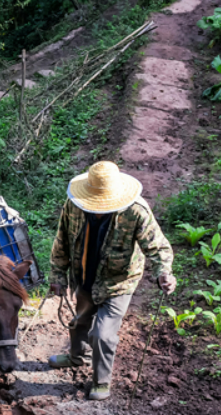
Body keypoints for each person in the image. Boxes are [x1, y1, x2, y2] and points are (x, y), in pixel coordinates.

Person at [47, 161, 176, 401]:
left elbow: (158, 247)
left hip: (118, 282)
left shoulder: (136, 211)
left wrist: (164, 272)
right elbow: (61, 241)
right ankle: (77, 358)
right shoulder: (74, 206)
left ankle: (101, 381)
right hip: (85, 275)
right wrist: (57, 275)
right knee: (80, 322)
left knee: (103, 334)